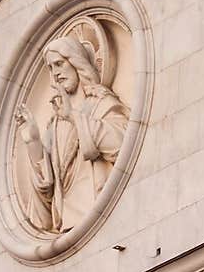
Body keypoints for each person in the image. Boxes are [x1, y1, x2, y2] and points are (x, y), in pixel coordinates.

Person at [15, 35, 128, 233]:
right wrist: (33, 141)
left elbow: (120, 146)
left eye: (59, 64)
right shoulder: (55, 123)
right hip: (67, 218)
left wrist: (74, 117)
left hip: (94, 201)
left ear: (76, 63)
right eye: (51, 68)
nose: (55, 73)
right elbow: (47, 189)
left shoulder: (102, 103)